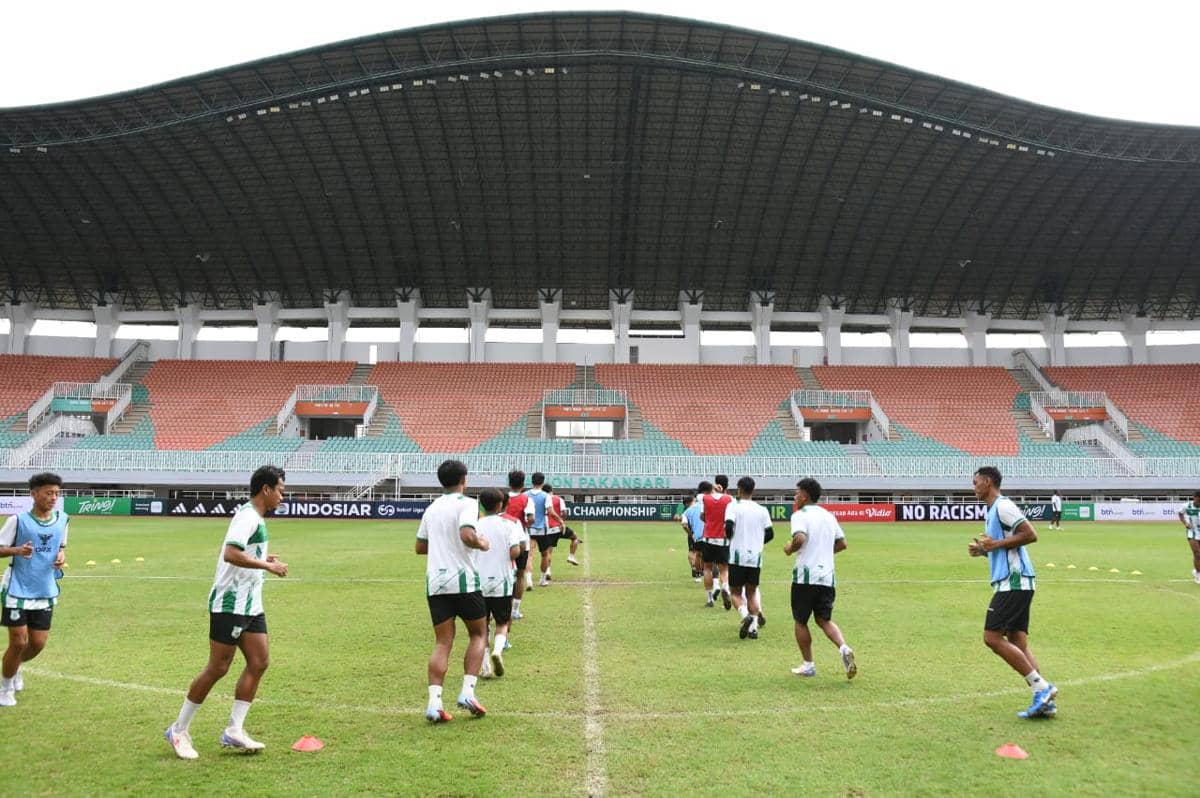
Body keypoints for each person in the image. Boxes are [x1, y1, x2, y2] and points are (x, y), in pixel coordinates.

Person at [165, 465, 289, 759]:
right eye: (281, 490)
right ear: (266, 489)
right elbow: (231, 553)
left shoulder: (255, 517)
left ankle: (235, 730)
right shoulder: (247, 516)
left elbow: (243, 551)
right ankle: (179, 729)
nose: (283, 496)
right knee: (218, 667)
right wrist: (268, 566)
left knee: (259, 662)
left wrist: (261, 557)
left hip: (251, 604)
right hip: (230, 604)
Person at [968, 466, 1057, 718]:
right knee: (1018, 641)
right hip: (1017, 582)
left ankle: (1043, 687)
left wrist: (994, 544)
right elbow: (1005, 545)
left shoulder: (1003, 506)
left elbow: (1030, 534)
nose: (973, 486)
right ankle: (1044, 699)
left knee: (991, 637)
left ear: (987, 482)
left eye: (975, 482)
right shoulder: (993, 510)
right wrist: (984, 550)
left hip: (1014, 581)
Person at [416, 459, 490, 722]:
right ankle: (468, 691)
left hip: (436, 582)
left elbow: (420, 547)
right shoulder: (469, 504)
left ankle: (434, 703)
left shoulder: (432, 508)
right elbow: (467, 534)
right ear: (464, 479)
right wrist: (481, 543)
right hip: (464, 581)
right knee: (479, 634)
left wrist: (441, 543)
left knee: (442, 642)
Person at [0, 472, 68, 708]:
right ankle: (6, 688)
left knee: (37, 644)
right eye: (49, 492)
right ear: (34, 494)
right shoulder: (18, 520)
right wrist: (17, 551)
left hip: (45, 588)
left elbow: (61, 546)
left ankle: (16, 665)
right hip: (17, 588)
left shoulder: (63, 519)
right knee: (18, 642)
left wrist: (61, 556)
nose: (53, 497)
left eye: (56, 493)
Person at [783, 478, 857, 680]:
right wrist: (824, 551)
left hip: (806, 577)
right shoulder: (829, 516)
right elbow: (842, 544)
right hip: (827, 577)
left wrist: (790, 549)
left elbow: (799, 538)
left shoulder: (800, 515)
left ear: (805, 495)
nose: (795, 496)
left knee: (800, 620)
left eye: (797, 492)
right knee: (824, 620)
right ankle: (843, 648)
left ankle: (808, 665)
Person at [475, 489, 522, 679]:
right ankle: (498, 650)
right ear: (500, 505)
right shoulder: (509, 524)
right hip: (502, 579)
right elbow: (515, 551)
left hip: (478, 581)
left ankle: (485, 666)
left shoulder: (475, 525)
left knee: (481, 626)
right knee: (502, 622)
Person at [725, 477, 773, 640]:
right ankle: (753, 628)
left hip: (738, 556)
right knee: (752, 592)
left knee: (735, 592)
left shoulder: (733, 506)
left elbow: (729, 527)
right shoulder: (762, 510)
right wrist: (758, 542)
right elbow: (770, 534)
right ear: (753, 490)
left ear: (739, 489)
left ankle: (745, 615)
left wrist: (732, 539)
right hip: (755, 557)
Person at [699, 476, 733, 609]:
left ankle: (710, 599)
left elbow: (702, 516)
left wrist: (713, 488)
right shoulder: (729, 499)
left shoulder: (704, 499)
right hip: (723, 539)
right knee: (724, 569)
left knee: (707, 568)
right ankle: (725, 587)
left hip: (708, 537)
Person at [525, 473, 563, 586]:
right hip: (542, 529)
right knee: (545, 555)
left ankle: (528, 580)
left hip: (529, 529)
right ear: (542, 482)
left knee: (529, 556)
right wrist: (560, 520)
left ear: (532, 481)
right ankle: (542, 579)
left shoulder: (525, 495)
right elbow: (550, 512)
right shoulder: (545, 495)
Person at [504, 470, 533, 614]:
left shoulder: (501, 498)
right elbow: (531, 518)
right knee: (520, 575)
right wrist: (522, 527)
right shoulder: (526, 499)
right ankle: (514, 610)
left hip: (502, 539)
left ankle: (502, 607)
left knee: (504, 572)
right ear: (523, 483)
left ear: (509, 483)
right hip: (521, 540)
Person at [543, 484, 582, 566]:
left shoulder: (542, 500)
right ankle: (571, 556)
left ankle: (548, 571)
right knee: (574, 537)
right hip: (559, 527)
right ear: (552, 490)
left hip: (547, 528)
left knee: (549, 550)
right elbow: (564, 512)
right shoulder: (558, 499)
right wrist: (562, 521)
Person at [681, 485, 708, 580]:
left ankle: (697, 575)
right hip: (709, 535)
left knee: (697, 554)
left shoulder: (686, 512)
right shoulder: (703, 505)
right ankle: (712, 576)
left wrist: (690, 534)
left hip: (696, 536)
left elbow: (684, 525)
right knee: (708, 556)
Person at [1177, 490, 1200, 583]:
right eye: (1198, 500)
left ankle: (1196, 570)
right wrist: (1185, 523)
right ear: (1194, 498)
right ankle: (1198, 574)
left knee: (1198, 556)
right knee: (1197, 553)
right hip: (1192, 533)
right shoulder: (1186, 506)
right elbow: (1180, 513)